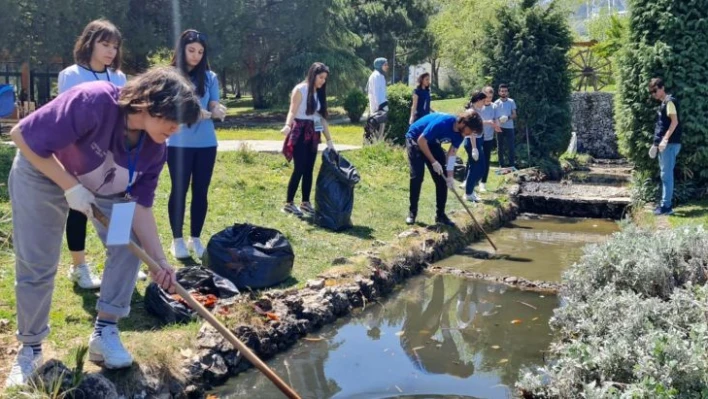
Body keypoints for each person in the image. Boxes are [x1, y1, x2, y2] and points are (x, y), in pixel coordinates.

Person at [5, 67, 201, 387]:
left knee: (129, 241)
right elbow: (22, 137)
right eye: (174, 120)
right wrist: (69, 186)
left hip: (103, 187)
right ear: (152, 103)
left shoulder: (155, 148)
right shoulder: (93, 101)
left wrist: (160, 262)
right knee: (38, 261)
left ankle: (105, 331)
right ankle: (30, 349)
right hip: (42, 170)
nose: (176, 129)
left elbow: (140, 207)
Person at [57, 19, 142, 289]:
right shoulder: (71, 75)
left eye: (115, 46)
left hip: (113, 155)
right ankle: (79, 267)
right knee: (79, 208)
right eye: (105, 44)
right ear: (89, 43)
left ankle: (119, 261)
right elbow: (68, 116)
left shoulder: (118, 77)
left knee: (122, 205)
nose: (110, 51)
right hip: (80, 154)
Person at [167, 30, 227, 259]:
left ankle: (196, 238)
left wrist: (216, 109)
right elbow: (168, 107)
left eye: (200, 52)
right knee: (179, 190)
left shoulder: (210, 76)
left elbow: (213, 102)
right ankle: (177, 240)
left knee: (200, 191)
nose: (196, 56)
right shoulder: (170, 75)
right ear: (181, 49)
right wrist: (192, 113)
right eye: (191, 50)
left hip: (206, 143)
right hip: (178, 143)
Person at [405, 110, 484, 226]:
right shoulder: (443, 123)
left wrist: (450, 177)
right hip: (415, 138)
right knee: (417, 176)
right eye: (471, 131)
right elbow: (421, 141)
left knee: (443, 180)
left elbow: (451, 155)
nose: (470, 134)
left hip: (432, 142)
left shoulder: (461, 135)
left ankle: (440, 215)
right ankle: (412, 213)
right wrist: (433, 162)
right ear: (464, 123)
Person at [280, 62, 336, 217]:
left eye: (325, 78)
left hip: (313, 133)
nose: (323, 81)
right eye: (321, 77)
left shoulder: (318, 93)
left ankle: (305, 203)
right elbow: (292, 110)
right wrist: (287, 125)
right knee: (299, 168)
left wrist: (329, 141)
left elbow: (321, 119)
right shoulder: (300, 89)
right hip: (299, 131)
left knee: (309, 169)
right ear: (313, 75)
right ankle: (288, 204)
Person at [648, 77, 681, 216]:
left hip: (670, 145)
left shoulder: (669, 102)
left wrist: (665, 140)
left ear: (662, 88)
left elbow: (674, 122)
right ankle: (664, 204)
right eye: (651, 92)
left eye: (655, 91)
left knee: (666, 176)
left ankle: (666, 207)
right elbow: (662, 126)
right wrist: (656, 144)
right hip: (664, 145)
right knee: (664, 175)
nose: (654, 94)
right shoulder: (663, 104)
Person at [462, 91, 490, 202]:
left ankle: (470, 191)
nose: (484, 103)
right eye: (483, 101)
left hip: (476, 141)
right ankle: (468, 193)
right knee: (479, 168)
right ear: (478, 101)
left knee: (475, 167)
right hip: (472, 142)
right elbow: (472, 131)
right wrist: (474, 148)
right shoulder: (471, 112)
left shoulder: (475, 111)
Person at [479, 86, 500, 193]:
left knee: (486, 160)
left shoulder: (494, 106)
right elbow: (476, 121)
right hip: (477, 136)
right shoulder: (478, 105)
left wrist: (497, 125)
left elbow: (496, 119)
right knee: (474, 159)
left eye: (490, 97)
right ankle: (467, 180)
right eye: (486, 97)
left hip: (489, 137)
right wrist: (487, 122)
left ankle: (483, 183)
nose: (488, 99)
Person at [494, 83, 517, 169]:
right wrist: (499, 119)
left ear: (507, 92)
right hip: (499, 127)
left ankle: (512, 165)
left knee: (511, 146)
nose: (504, 93)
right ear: (499, 92)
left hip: (509, 127)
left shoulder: (511, 101)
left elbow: (515, 115)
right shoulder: (496, 103)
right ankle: (501, 165)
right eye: (502, 91)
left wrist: (507, 117)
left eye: (505, 91)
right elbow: (494, 116)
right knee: (500, 146)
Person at [367, 57, 389, 136]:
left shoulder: (380, 76)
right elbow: (376, 94)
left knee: (381, 131)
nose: (387, 66)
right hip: (378, 109)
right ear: (380, 65)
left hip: (382, 107)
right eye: (385, 65)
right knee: (376, 132)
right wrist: (380, 108)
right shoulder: (375, 76)